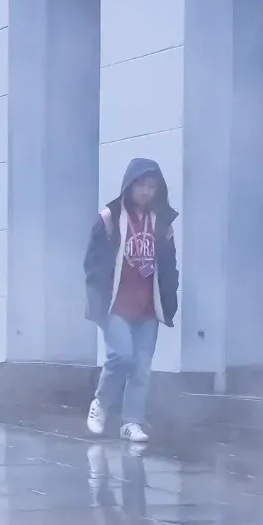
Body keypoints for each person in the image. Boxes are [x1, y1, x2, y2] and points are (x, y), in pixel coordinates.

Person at [83, 159, 177, 443]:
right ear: (129, 185)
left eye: (151, 186)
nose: (146, 192)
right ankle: (100, 403)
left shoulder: (162, 222)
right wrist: (96, 301)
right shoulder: (110, 217)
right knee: (121, 356)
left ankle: (131, 422)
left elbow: (170, 266)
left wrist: (170, 303)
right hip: (116, 306)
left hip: (148, 307)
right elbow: (93, 263)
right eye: (140, 185)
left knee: (142, 368)